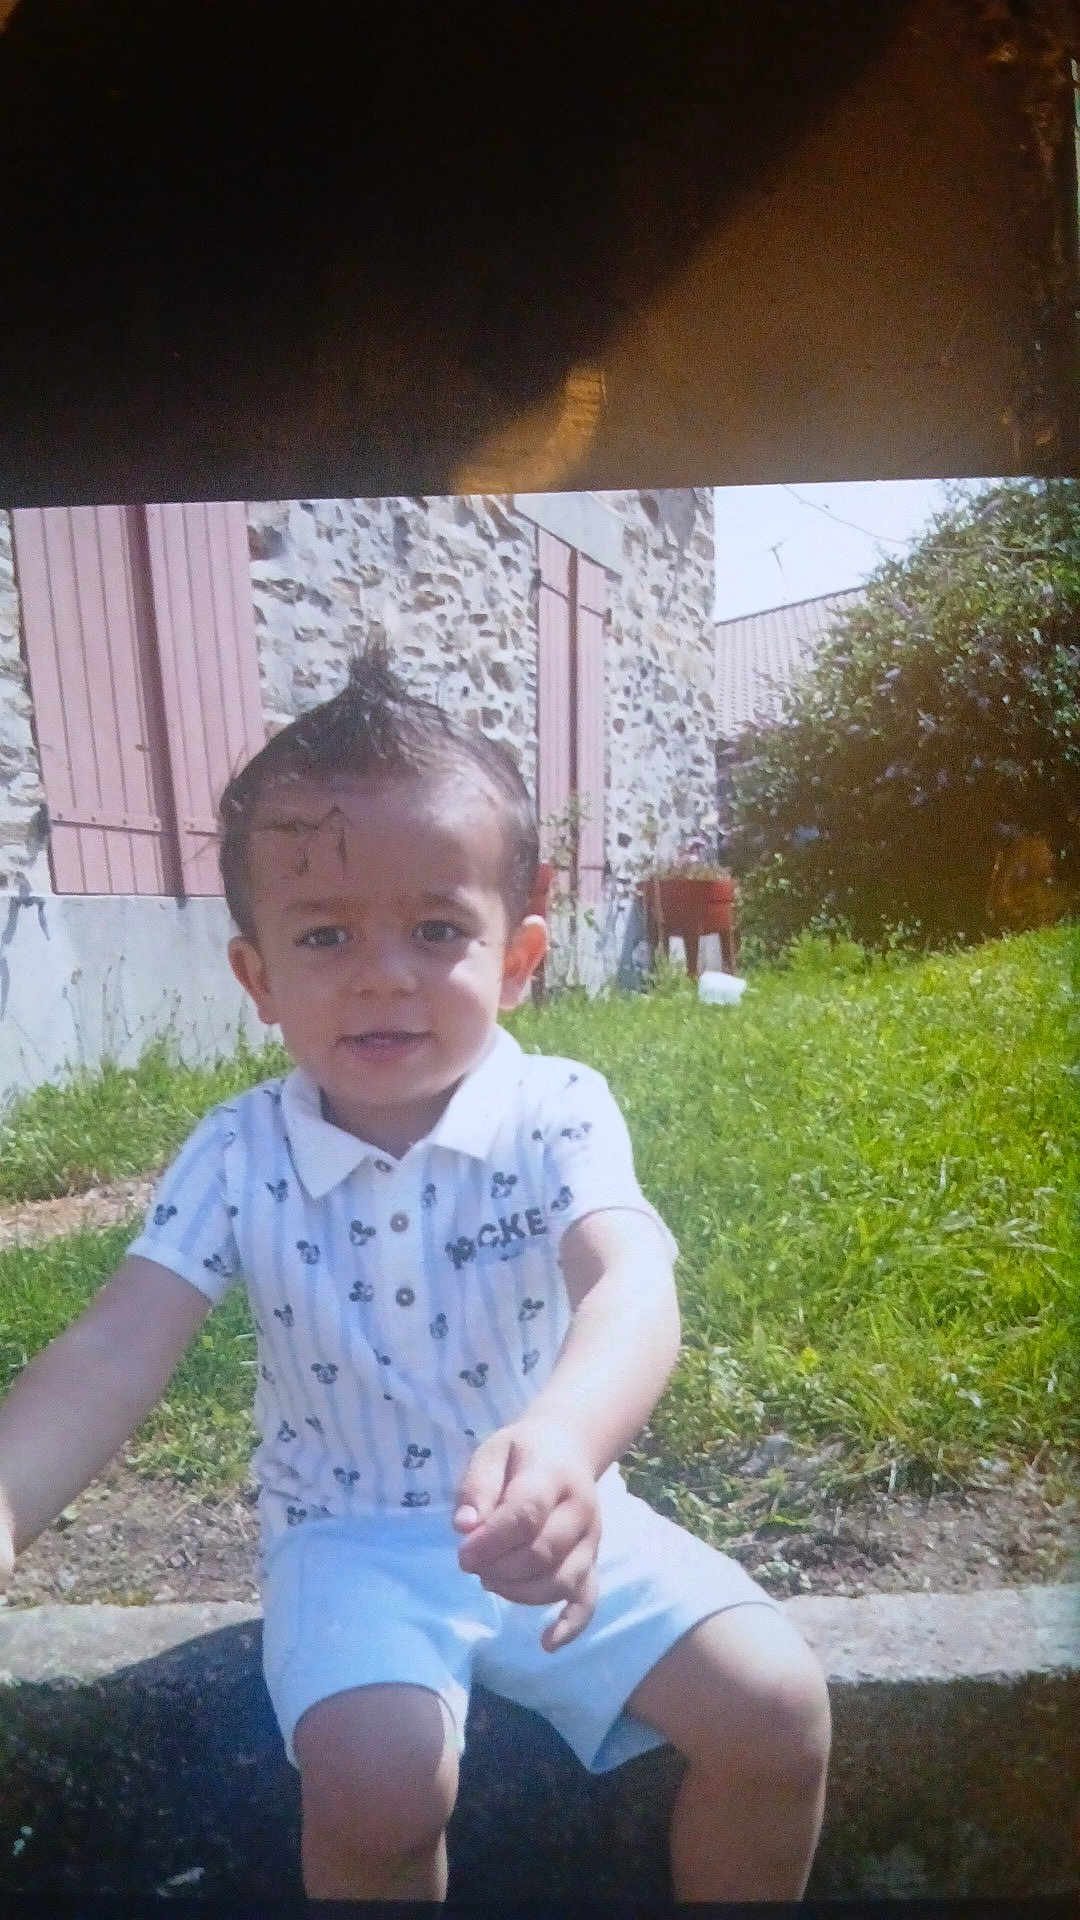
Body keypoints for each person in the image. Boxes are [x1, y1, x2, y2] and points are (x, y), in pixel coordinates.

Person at [0, 648, 831, 1903]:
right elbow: (118, 1344)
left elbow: (630, 1281)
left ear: (518, 955)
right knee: (381, 1781)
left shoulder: (557, 1110)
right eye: (326, 933)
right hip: (346, 1541)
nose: (385, 972)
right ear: (258, 976)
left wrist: (564, 1441)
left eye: (438, 929)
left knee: (779, 1711)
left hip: (557, 1513)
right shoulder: (239, 1152)